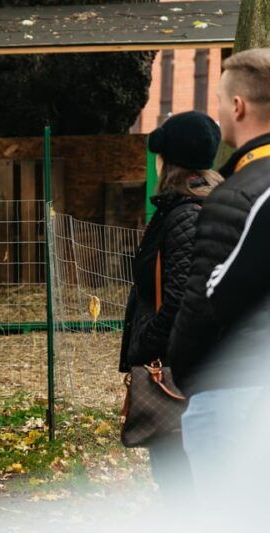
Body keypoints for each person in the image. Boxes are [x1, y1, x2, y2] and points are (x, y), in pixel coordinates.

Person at [167, 48, 270, 490]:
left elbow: (206, 300)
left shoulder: (239, 194)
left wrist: (183, 369)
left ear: (238, 106)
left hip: (233, 385)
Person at [119, 111, 222, 499]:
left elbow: (180, 295)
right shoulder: (201, 205)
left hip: (177, 370)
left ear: (168, 162)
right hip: (192, 365)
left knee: (179, 480)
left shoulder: (185, 215)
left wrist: (148, 346)